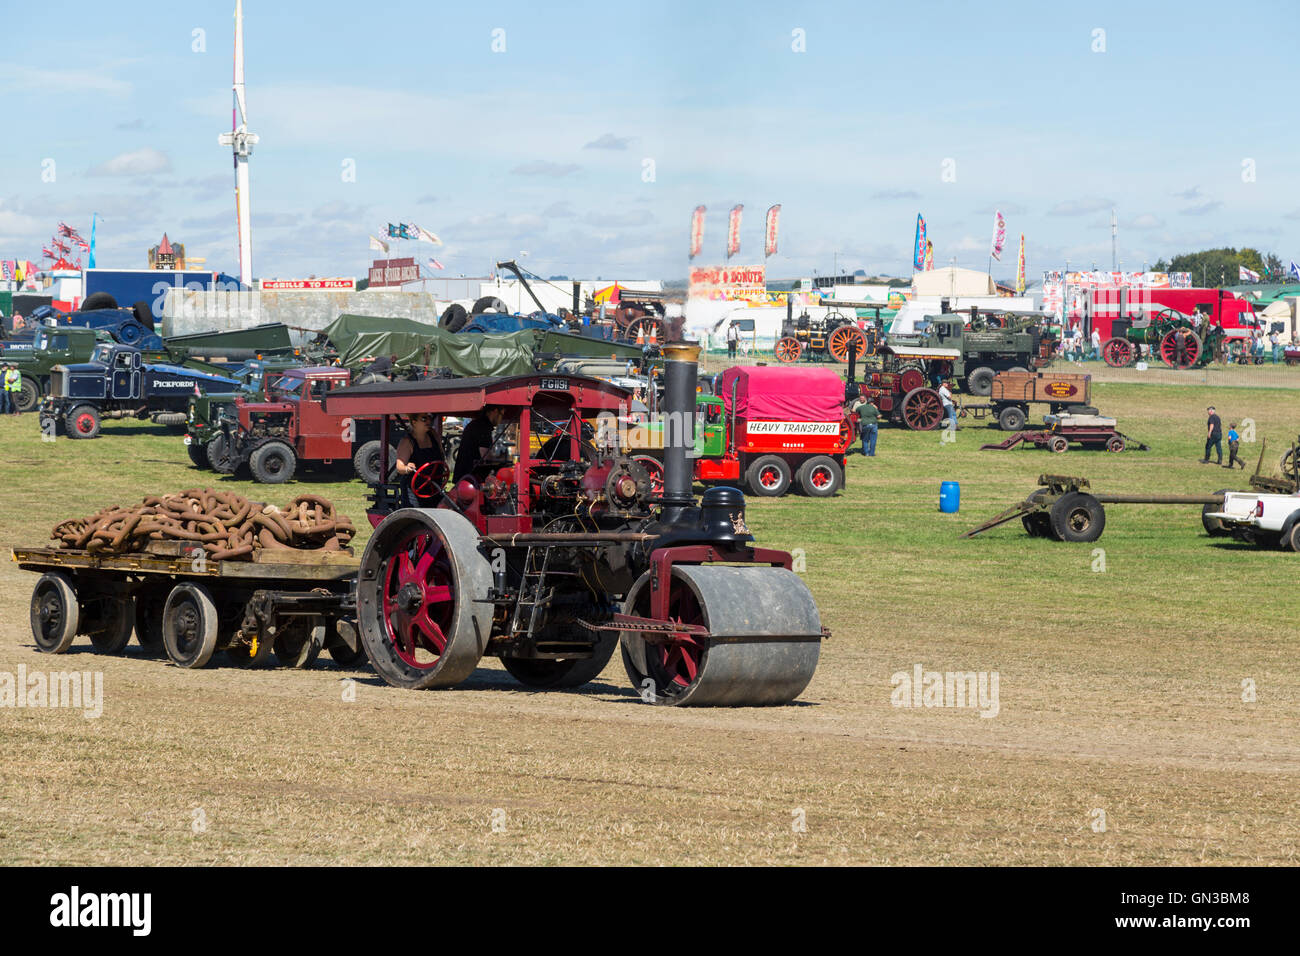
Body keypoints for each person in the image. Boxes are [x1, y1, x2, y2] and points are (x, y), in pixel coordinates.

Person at [394, 413, 447, 505]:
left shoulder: (433, 435)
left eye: (429, 418)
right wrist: (407, 468)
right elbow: (399, 467)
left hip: (434, 487)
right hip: (415, 491)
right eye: (424, 419)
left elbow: (441, 455)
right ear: (414, 422)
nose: (428, 421)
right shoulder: (407, 442)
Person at [453, 404, 506, 482]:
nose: (501, 419)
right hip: (470, 479)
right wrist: (501, 459)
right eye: (502, 415)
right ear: (495, 411)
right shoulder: (483, 427)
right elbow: (486, 456)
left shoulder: (477, 424)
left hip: (464, 476)